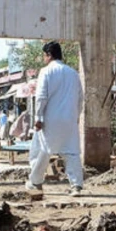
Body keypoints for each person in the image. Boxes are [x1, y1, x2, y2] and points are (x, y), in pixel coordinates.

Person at [26, 41, 84, 197]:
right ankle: (76, 186)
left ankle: (36, 181)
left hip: (50, 119)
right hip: (69, 119)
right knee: (72, 152)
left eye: (44, 56)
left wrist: (38, 117)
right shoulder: (73, 73)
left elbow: (41, 97)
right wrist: (76, 116)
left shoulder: (46, 72)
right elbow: (80, 98)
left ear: (48, 55)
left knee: (43, 150)